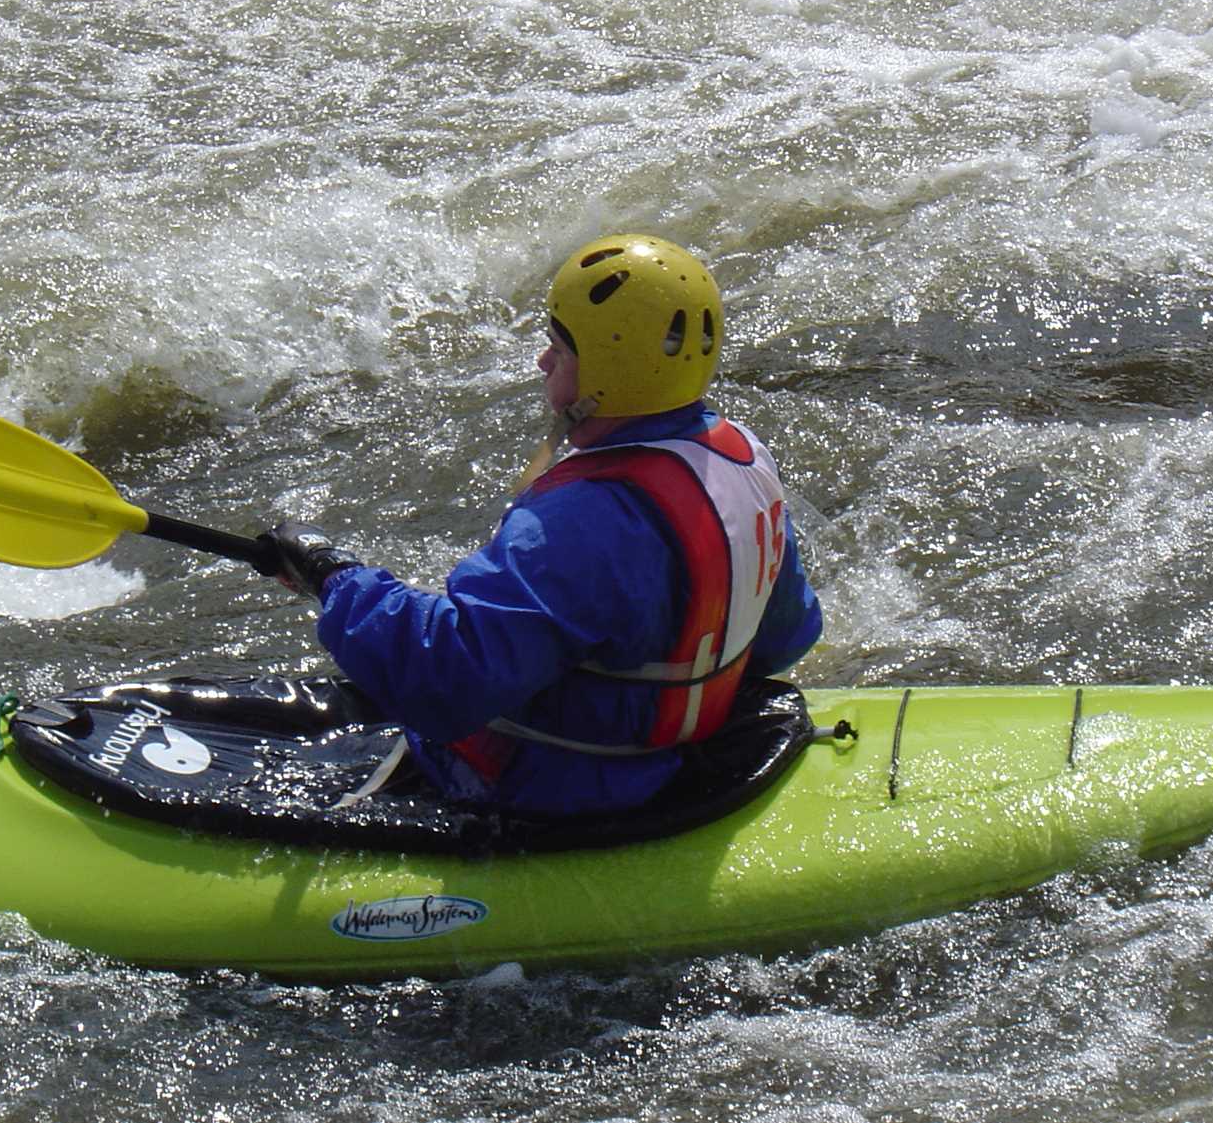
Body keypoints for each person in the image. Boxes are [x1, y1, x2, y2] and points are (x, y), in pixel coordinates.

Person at [261, 233, 823, 816]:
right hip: (681, 754)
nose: (543, 361)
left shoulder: (581, 520)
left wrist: (333, 578)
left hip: (558, 786)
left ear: (610, 372)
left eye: (559, 347)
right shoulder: (743, 458)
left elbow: (449, 680)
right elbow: (789, 634)